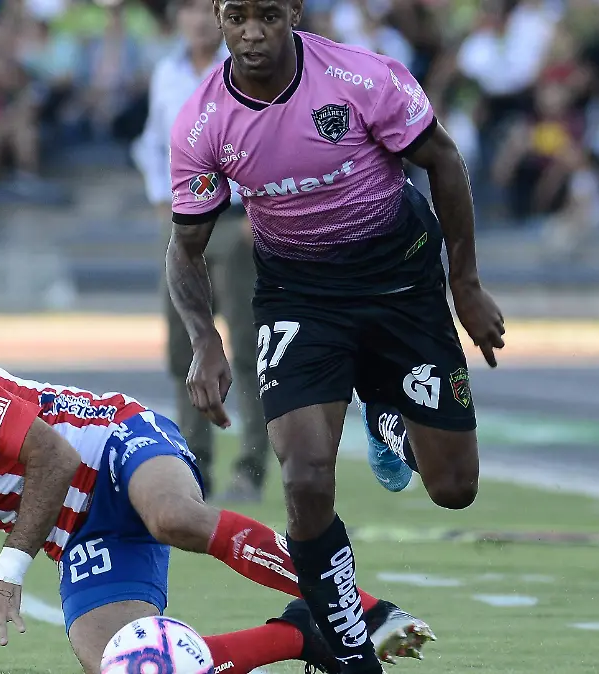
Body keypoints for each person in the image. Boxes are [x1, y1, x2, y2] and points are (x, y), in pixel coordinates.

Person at [0, 310, 431, 674]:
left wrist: (7, 575)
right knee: (122, 666)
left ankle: (364, 611)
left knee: (174, 517)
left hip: (114, 441)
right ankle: (300, 635)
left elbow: (52, 455)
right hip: (76, 531)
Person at [166, 0, 505, 670]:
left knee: (454, 488)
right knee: (305, 476)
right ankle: (348, 645)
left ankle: (387, 420)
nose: (252, 32)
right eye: (236, 16)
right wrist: (205, 339)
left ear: (294, 12)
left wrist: (464, 285)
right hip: (300, 296)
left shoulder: (364, 78)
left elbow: (443, 160)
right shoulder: (202, 120)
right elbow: (185, 247)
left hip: (400, 282)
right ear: (219, 17)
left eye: (268, 14)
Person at [131, 0, 269, 502]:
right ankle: (195, 464)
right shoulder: (167, 72)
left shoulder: (247, 67)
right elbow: (152, 142)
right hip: (182, 222)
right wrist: (159, 194)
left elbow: (267, 138)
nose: (196, 19)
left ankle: (251, 466)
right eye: (186, 8)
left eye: (204, 8)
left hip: (234, 221)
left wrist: (259, 207)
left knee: (248, 348)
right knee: (185, 345)